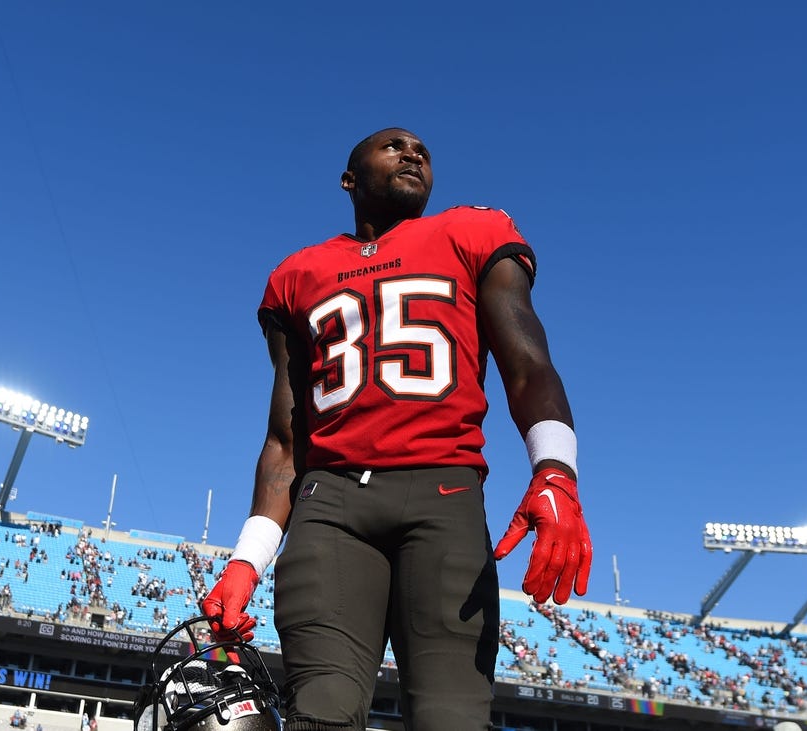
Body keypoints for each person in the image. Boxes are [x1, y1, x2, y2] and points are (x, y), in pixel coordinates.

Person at [202, 127, 591, 731]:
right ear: (348, 179)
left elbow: (528, 363)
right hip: (327, 505)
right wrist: (247, 559)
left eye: (423, 151)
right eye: (394, 146)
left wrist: (555, 471)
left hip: (443, 494)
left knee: (451, 719)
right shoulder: (296, 275)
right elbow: (285, 438)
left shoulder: (472, 231)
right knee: (319, 713)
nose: (413, 153)